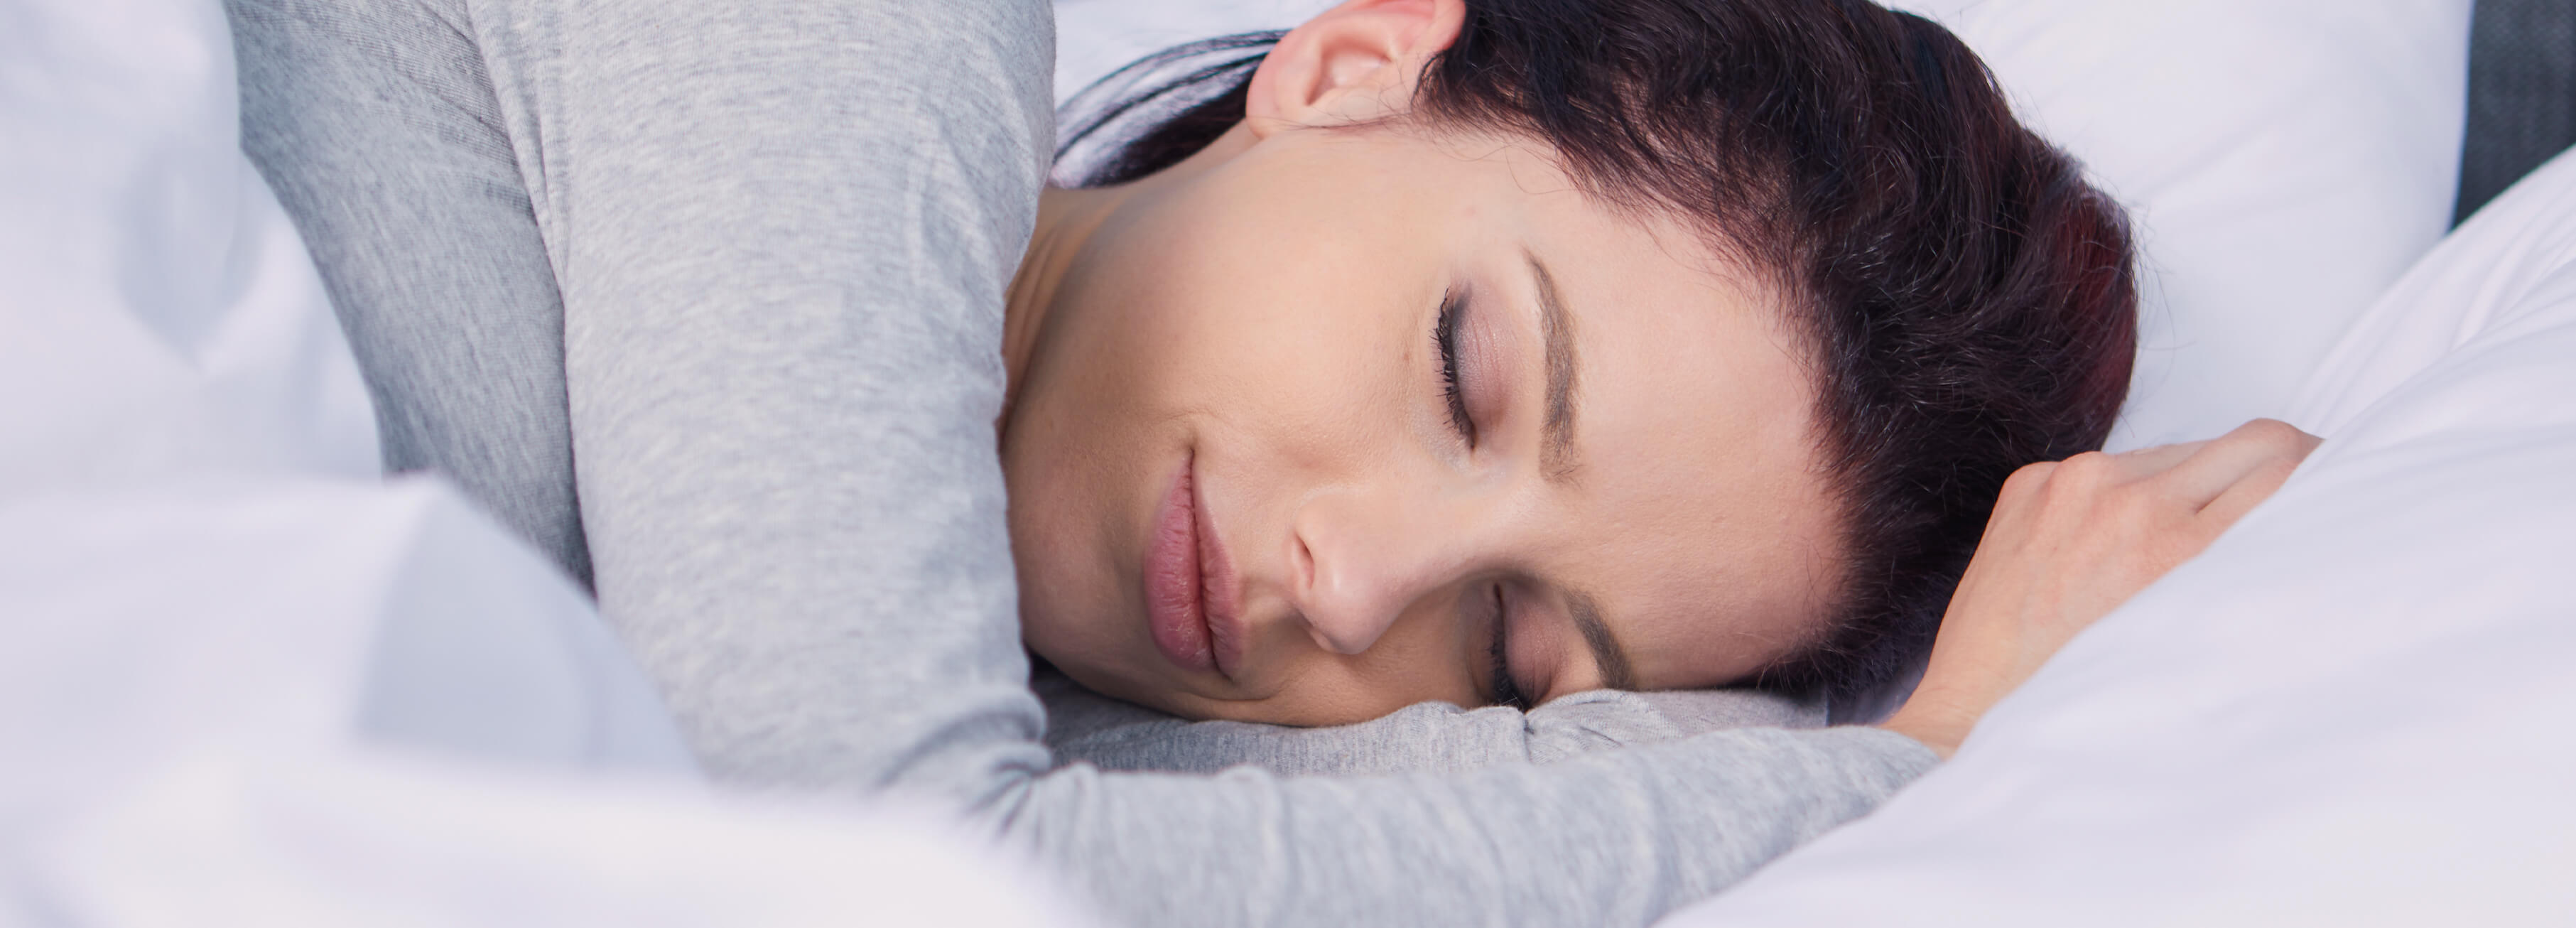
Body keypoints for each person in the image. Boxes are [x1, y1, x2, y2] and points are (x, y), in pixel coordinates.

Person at [224, 0, 2316, 924]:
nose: (1353, 582)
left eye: (1512, 652)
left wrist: (1936, 745)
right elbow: (874, 872)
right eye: (1467, 370)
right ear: (1346, 65)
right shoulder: (852, 37)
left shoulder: (1054, 723)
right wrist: (1911, 770)